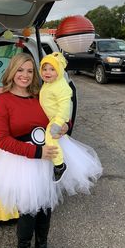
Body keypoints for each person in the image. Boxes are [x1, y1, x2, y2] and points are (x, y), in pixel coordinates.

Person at [0, 52, 103, 248]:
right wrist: (37, 152)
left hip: (48, 157)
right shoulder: (3, 100)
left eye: (29, 71)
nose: (25, 75)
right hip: (24, 159)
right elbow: (1, 140)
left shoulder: (41, 94)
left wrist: (65, 125)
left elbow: (58, 114)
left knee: (46, 206)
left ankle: (42, 247)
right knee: (28, 210)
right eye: (20, 70)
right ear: (12, 72)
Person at [39, 52, 72, 182]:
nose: (47, 72)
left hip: (57, 118)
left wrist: (58, 123)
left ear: (59, 71)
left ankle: (59, 165)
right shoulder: (49, 83)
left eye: (52, 69)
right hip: (52, 116)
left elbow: (65, 107)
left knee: (50, 137)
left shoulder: (61, 86)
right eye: (44, 69)